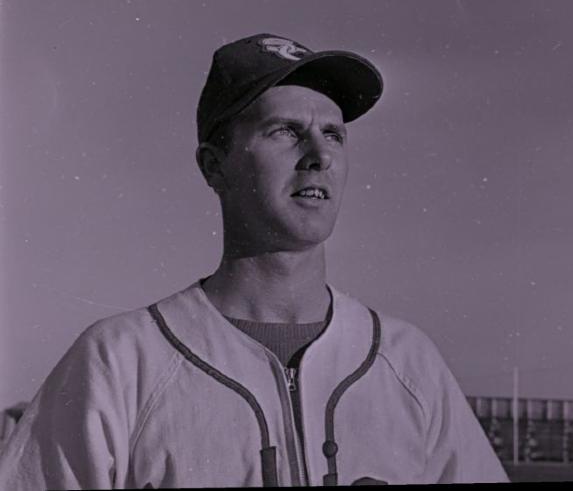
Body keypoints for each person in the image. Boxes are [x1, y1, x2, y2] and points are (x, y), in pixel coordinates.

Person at [0, 33, 508, 487]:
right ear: (214, 167)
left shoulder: (410, 363)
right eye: (285, 130)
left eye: (333, 133)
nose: (319, 154)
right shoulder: (117, 362)